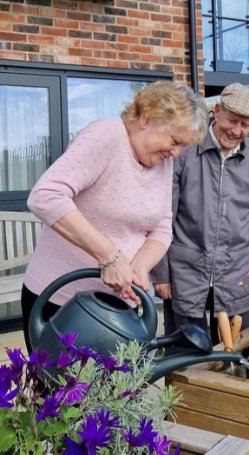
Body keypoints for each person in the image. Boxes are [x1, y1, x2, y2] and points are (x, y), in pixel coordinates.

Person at [21, 80, 209, 353]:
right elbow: (45, 195)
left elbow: (162, 226)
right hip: (62, 305)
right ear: (147, 118)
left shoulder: (163, 162)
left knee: (113, 395)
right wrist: (108, 256)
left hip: (119, 307)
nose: (176, 153)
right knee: (62, 394)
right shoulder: (107, 135)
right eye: (174, 141)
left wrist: (139, 268)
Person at [151, 82, 249, 347]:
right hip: (185, 271)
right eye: (232, 120)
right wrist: (161, 273)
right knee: (184, 355)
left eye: (245, 125)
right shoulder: (186, 149)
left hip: (235, 271)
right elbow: (163, 215)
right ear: (218, 110)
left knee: (234, 353)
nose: (236, 131)